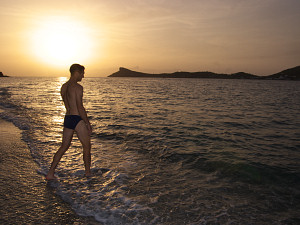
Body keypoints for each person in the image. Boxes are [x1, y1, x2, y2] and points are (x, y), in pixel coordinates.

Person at [46, 64, 92, 180]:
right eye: (82, 73)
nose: (83, 76)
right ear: (77, 72)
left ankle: (50, 173)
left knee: (63, 147)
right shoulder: (78, 87)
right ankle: (87, 173)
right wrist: (87, 123)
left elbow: (68, 106)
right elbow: (80, 107)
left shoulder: (64, 87)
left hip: (68, 118)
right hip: (77, 119)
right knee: (87, 147)